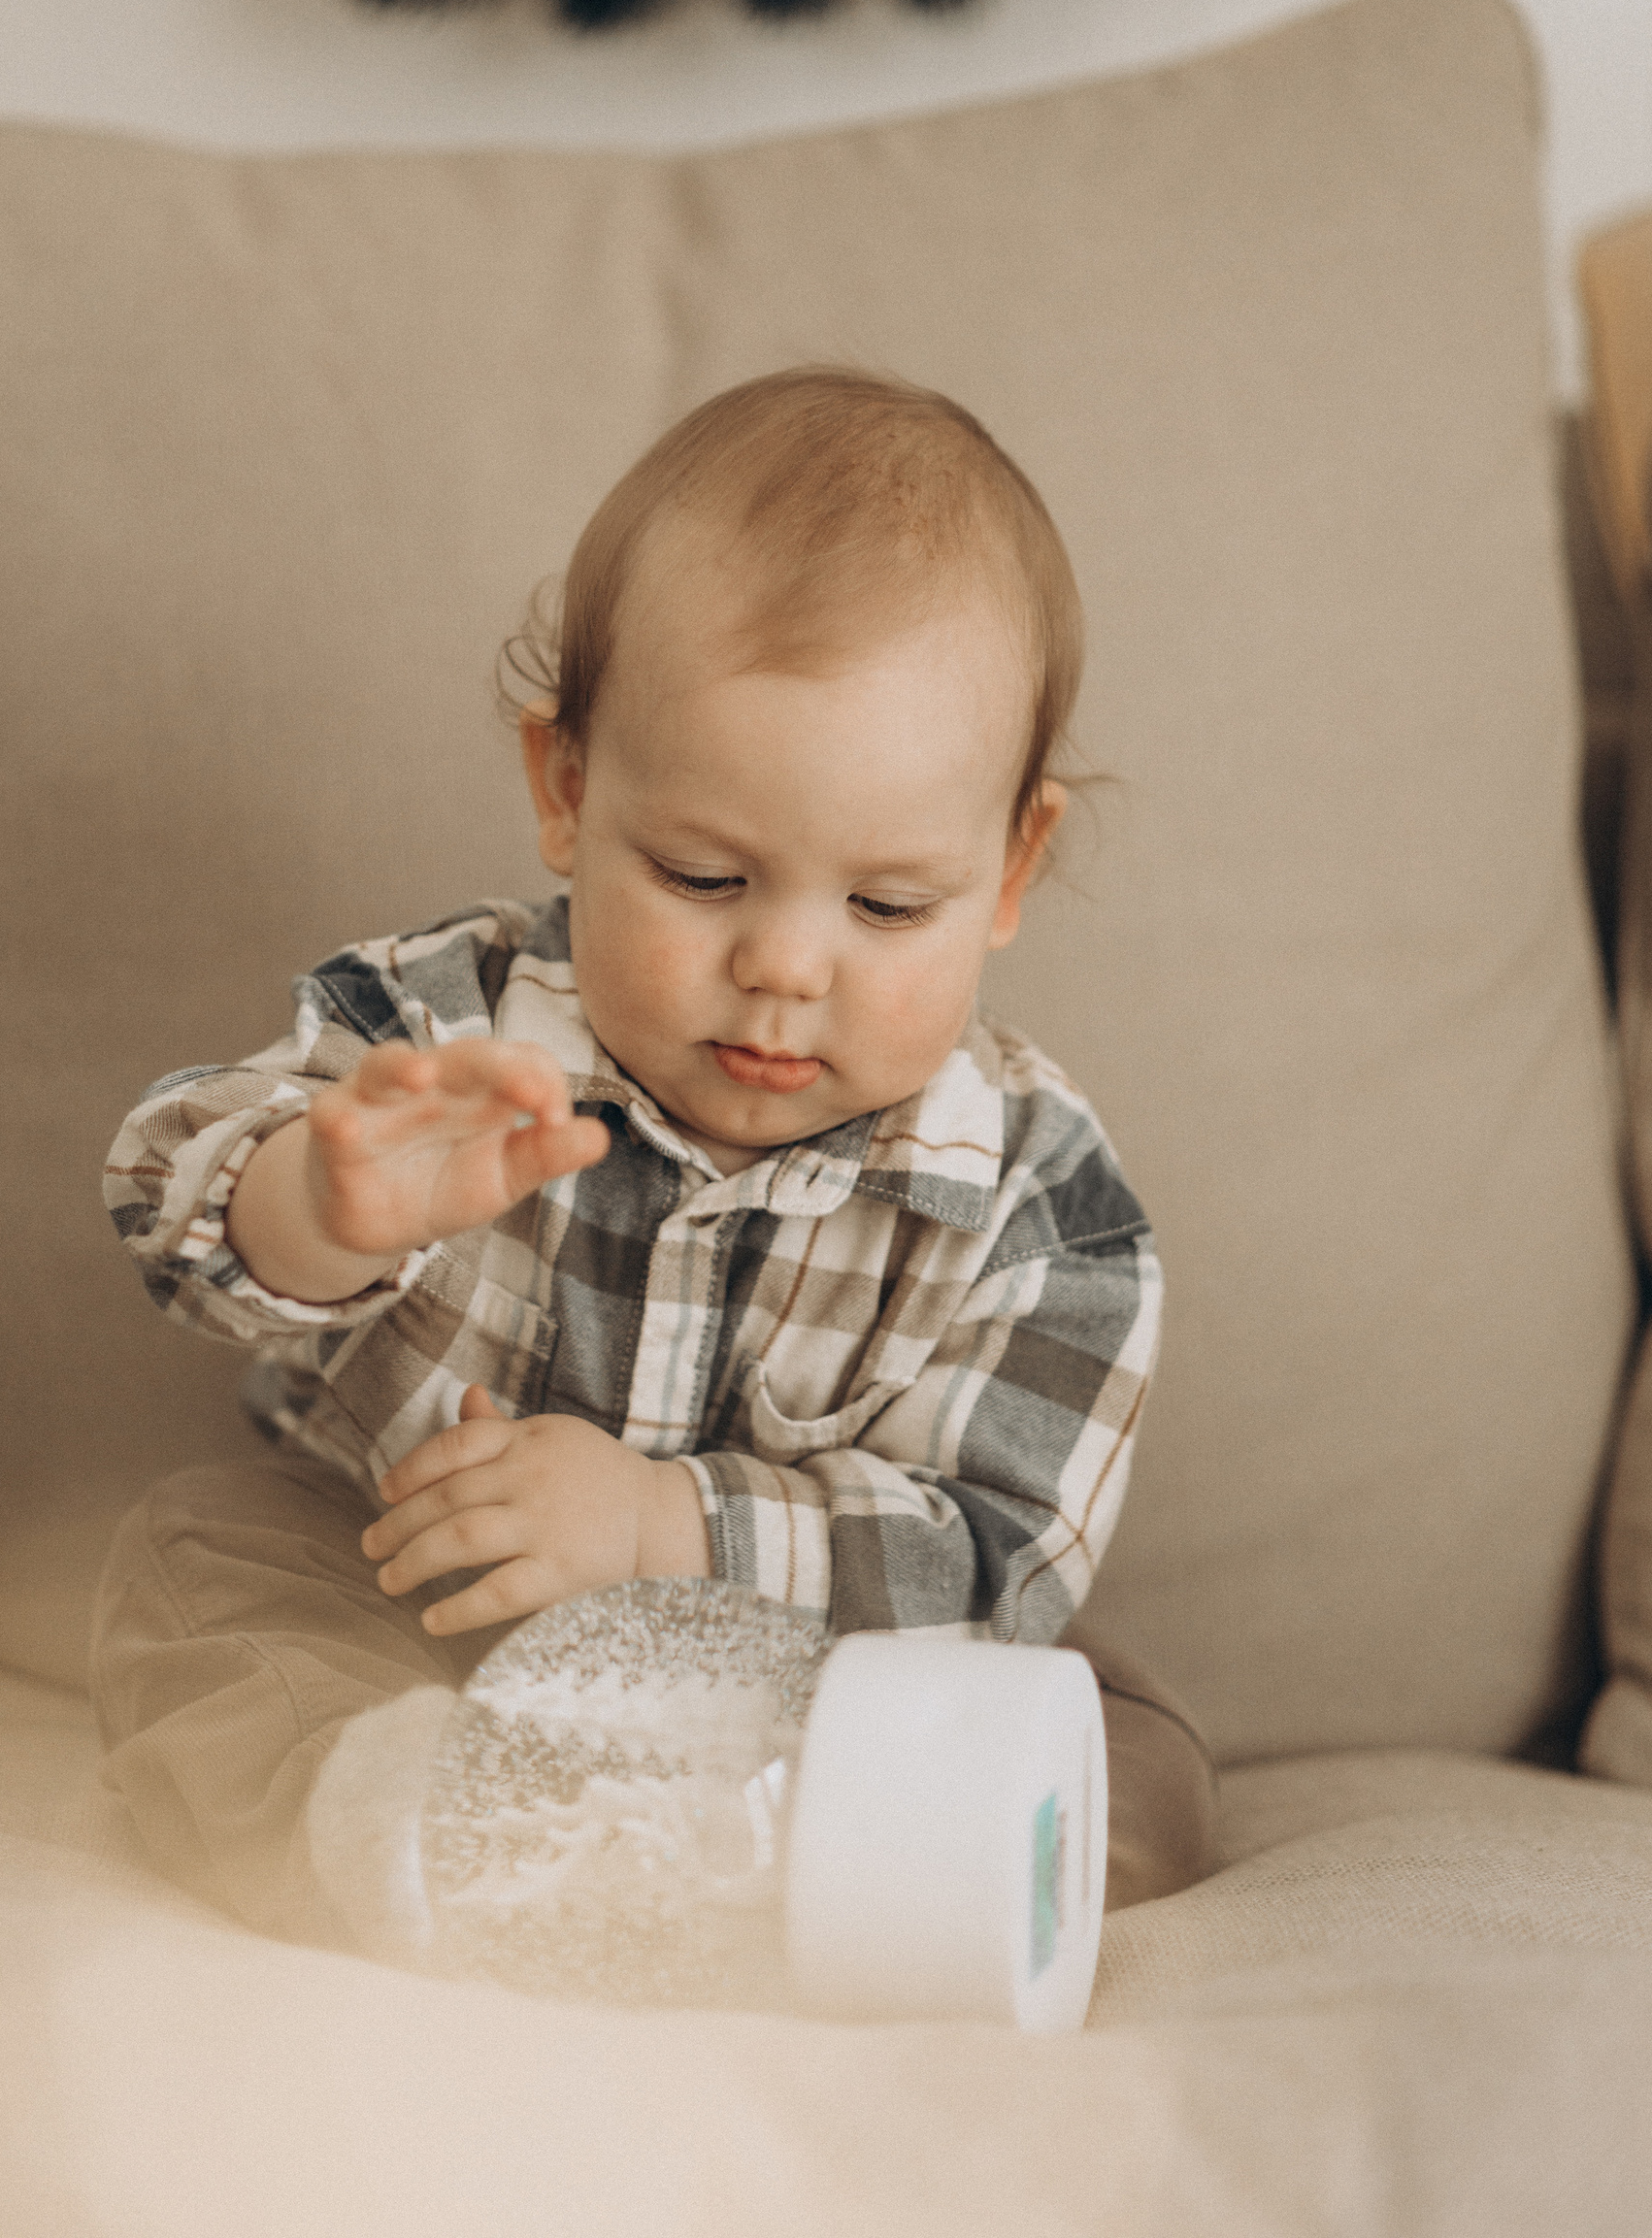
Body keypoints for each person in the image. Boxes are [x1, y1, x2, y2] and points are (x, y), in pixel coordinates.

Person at [96, 365, 1215, 1964]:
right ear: (568, 791)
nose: (784, 966)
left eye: (887, 907)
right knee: (194, 1562)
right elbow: (162, 1193)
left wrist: (660, 1531)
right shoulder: (450, 1025)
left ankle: (792, 1864)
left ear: (1012, 867)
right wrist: (318, 1207)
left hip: (812, 1700)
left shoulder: (1045, 1214)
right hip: (418, 1613)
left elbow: (996, 1558)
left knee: (1129, 1745)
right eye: (702, 875)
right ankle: (426, 1829)